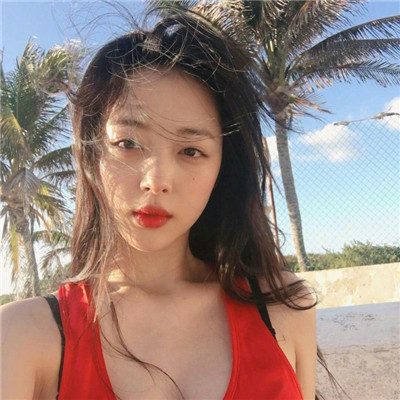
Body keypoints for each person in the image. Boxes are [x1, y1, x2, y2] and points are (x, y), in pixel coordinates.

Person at [0, 9, 317, 400]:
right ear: (92, 155)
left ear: (223, 167)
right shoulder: (25, 337)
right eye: (128, 144)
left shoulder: (284, 309)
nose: (156, 180)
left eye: (191, 150)